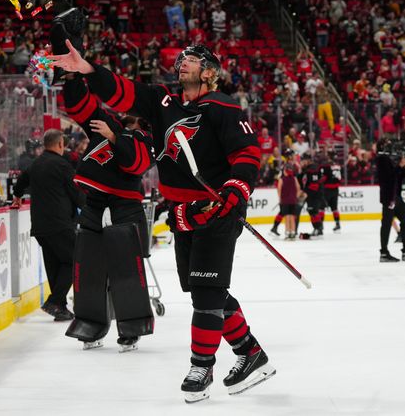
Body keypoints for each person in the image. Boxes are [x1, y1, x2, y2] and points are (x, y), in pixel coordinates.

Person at [52, 41, 275, 403]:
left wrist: (236, 190)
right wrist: (88, 70)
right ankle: (250, 352)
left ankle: (201, 365)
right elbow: (124, 92)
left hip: (216, 209)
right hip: (184, 214)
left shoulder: (224, 107)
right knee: (206, 290)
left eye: (191, 60)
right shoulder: (162, 102)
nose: (182, 63)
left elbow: (247, 153)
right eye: (181, 59)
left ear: (208, 71)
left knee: (206, 292)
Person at [60, 72, 156, 352]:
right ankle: (90, 323)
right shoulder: (110, 125)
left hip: (125, 209)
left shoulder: (150, 139)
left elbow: (135, 164)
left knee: (127, 273)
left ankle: (132, 327)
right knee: (87, 269)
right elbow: (83, 107)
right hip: (94, 206)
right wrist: (72, 77)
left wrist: (115, 136)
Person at [12, 129, 84, 320]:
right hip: (59, 223)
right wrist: (89, 208)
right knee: (75, 258)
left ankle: (59, 307)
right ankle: (55, 301)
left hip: (40, 225)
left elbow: (20, 181)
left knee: (55, 264)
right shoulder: (62, 165)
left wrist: (17, 196)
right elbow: (76, 193)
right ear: (60, 144)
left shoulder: (35, 164)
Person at [376, 143, 405, 262]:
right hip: (389, 197)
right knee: (386, 223)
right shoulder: (382, 159)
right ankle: (384, 253)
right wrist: (400, 166)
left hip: (396, 196)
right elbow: (389, 178)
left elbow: (398, 178)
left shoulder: (388, 160)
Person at [299, 153, 326, 237]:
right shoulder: (306, 169)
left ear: (307, 160)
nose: (301, 162)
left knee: (313, 211)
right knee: (311, 211)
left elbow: (314, 184)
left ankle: (318, 228)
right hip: (311, 194)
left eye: (303, 161)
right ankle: (317, 228)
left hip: (314, 194)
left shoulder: (313, 168)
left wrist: (305, 192)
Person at [276, 161, 301, 240]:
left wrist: (280, 199)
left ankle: (287, 233)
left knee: (287, 217)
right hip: (293, 201)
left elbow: (279, 190)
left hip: (285, 201)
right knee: (292, 217)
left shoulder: (281, 179)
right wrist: (296, 197)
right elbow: (298, 188)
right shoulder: (294, 178)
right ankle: (292, 232)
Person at [320, 155, 342, 232]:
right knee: (334, 208)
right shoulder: (338, 167)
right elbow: (339, 179)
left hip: (327, 189)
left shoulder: (326, 166)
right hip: (335, 189)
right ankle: (338, 224)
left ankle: (320, 225)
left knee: (322, 207)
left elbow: (324, 178)